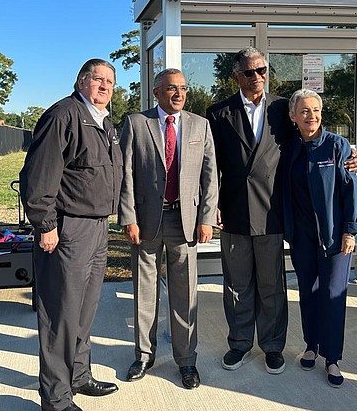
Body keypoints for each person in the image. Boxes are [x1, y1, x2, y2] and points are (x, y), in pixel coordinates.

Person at [206, 46, 357, 375]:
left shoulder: (282, 109)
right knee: (237, 285)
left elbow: (312, 136)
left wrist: (350, 154)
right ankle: (240, 344)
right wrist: (212, 203)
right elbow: (211, 164)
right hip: (232, 212)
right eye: (249, 72)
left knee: (272, 285)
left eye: (262, 70)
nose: (257, 77)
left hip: (272, 212)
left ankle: (273, 346)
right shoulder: (217, 113)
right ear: (236, 76)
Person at [20, 59, 122, 411]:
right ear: (81, 81)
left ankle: (79, 375)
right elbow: (39, 174)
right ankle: (56, 398)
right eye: (98, 79)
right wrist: (45, 224)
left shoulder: (105, 123)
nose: (105, 86)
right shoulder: (62, 116)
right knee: (60, 314)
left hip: (98, 227)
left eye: (110, 81)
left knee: (84, 309)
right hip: (67, 229)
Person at [118, 68, 218, 390]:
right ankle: (144, 355)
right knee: (144, 291)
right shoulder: (136, 123)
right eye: (172, 89)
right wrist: (128, 217)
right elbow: (126, 174)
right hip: (146, 220)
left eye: (183, 89)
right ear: (157, 91)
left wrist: (206, 217)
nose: (178, 94)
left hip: (185, 220)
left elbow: (209, 175)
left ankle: (187, 361)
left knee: (185, 294)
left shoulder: (199, 125)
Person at [283, 88, 357, 387]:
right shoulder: (290, 147)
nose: (311, 116)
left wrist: (349, 229)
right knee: (308, 292)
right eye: (304, 111)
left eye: (316, 110)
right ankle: (311, 345)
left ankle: (332, 358)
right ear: (293, 116)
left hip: (335, 238)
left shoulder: (337, 146)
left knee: (332, 296)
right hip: (302, 237)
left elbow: (350, 191)